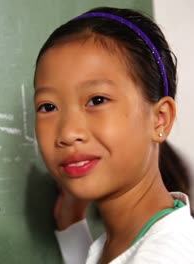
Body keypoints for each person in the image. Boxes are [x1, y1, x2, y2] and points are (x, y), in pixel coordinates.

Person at [33, 6, 194, 264]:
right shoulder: (138, 237)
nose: (68, 132)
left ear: (159, 119)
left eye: (97, 100)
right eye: (48, 107)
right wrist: (71, 224)